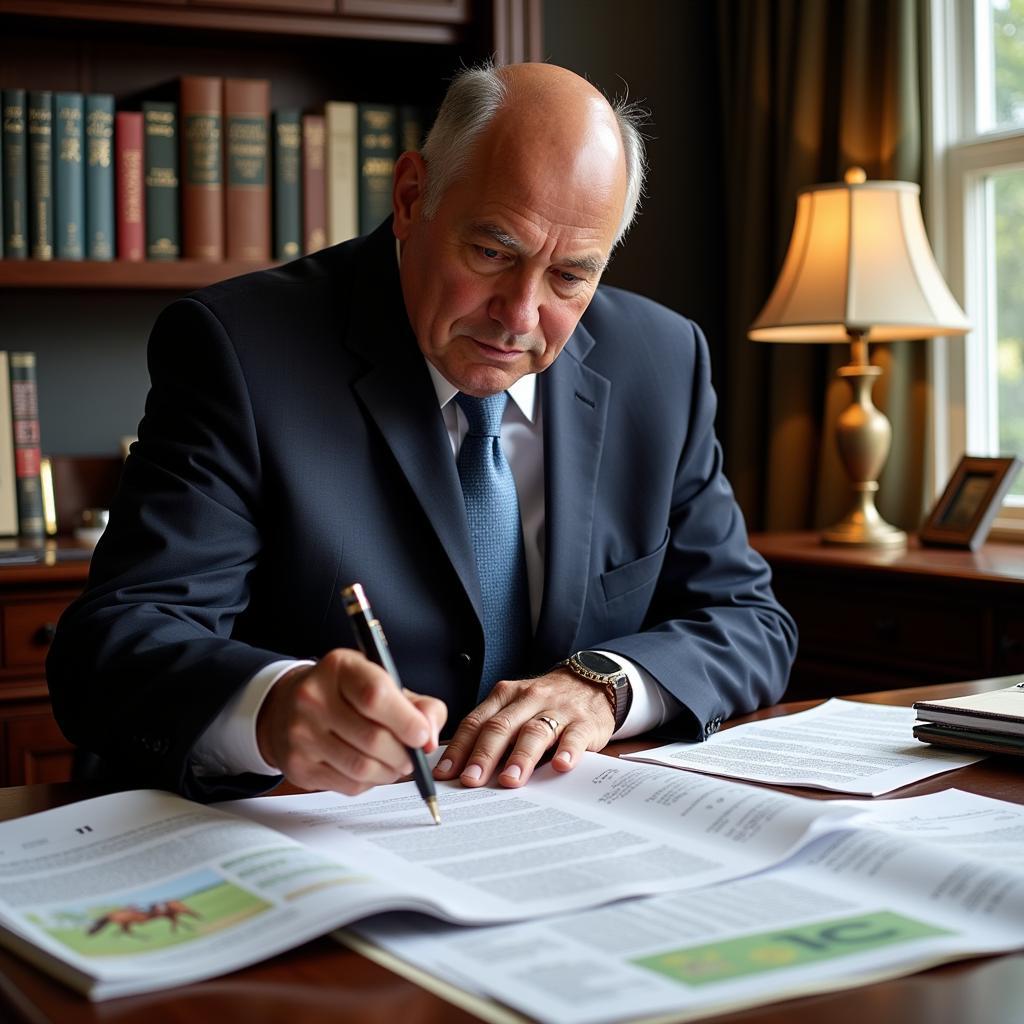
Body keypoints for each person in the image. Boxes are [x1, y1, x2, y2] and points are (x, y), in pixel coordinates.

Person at [47, 62, 797, 803]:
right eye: (494, 252)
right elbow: (117, 645)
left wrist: (603, 686)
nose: (519, 316)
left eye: (570, 275)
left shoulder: (659, 361)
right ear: (411, 197)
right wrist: (271, 709)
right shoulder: (240, 351)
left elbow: (748, 620)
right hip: (307, 834)